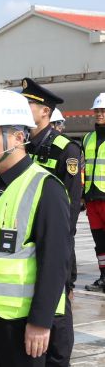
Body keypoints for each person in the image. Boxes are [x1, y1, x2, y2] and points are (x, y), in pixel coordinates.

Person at [0, 89, 70, 367]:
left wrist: (40, 322)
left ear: (19, 137)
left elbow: (55, 263)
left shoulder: (46, 188)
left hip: (20, 323)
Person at [21, 78, 82, 366]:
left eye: (28, 104)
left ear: (45, 111)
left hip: (55, 241)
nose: (23, 108)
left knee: (57, 310)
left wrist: (61, 251)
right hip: (25, 242)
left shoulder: (65, 150)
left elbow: (70, 209)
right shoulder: (22, 145)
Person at [83, 92, 105, 292]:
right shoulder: (87, 138)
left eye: (103, 110)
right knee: (99, 242)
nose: (99, 114)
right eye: (97, 110)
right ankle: (103, 277)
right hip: (92, 198)